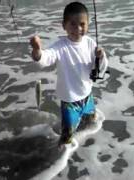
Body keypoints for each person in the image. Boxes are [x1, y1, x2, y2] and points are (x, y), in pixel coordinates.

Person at [30, 1, 108, 147]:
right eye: (72, 24)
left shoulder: (90, 43)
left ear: (88, 24)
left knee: (90, 123)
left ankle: (85, 149)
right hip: (70, 102)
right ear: (64, 25)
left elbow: (100, 70)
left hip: (87, 96)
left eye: (82, 24)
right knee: (66, 139)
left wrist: (101, 57)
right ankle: (59, 158)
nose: (78, 28)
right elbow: (45, 59)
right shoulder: (61, 46)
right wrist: (37, 51)